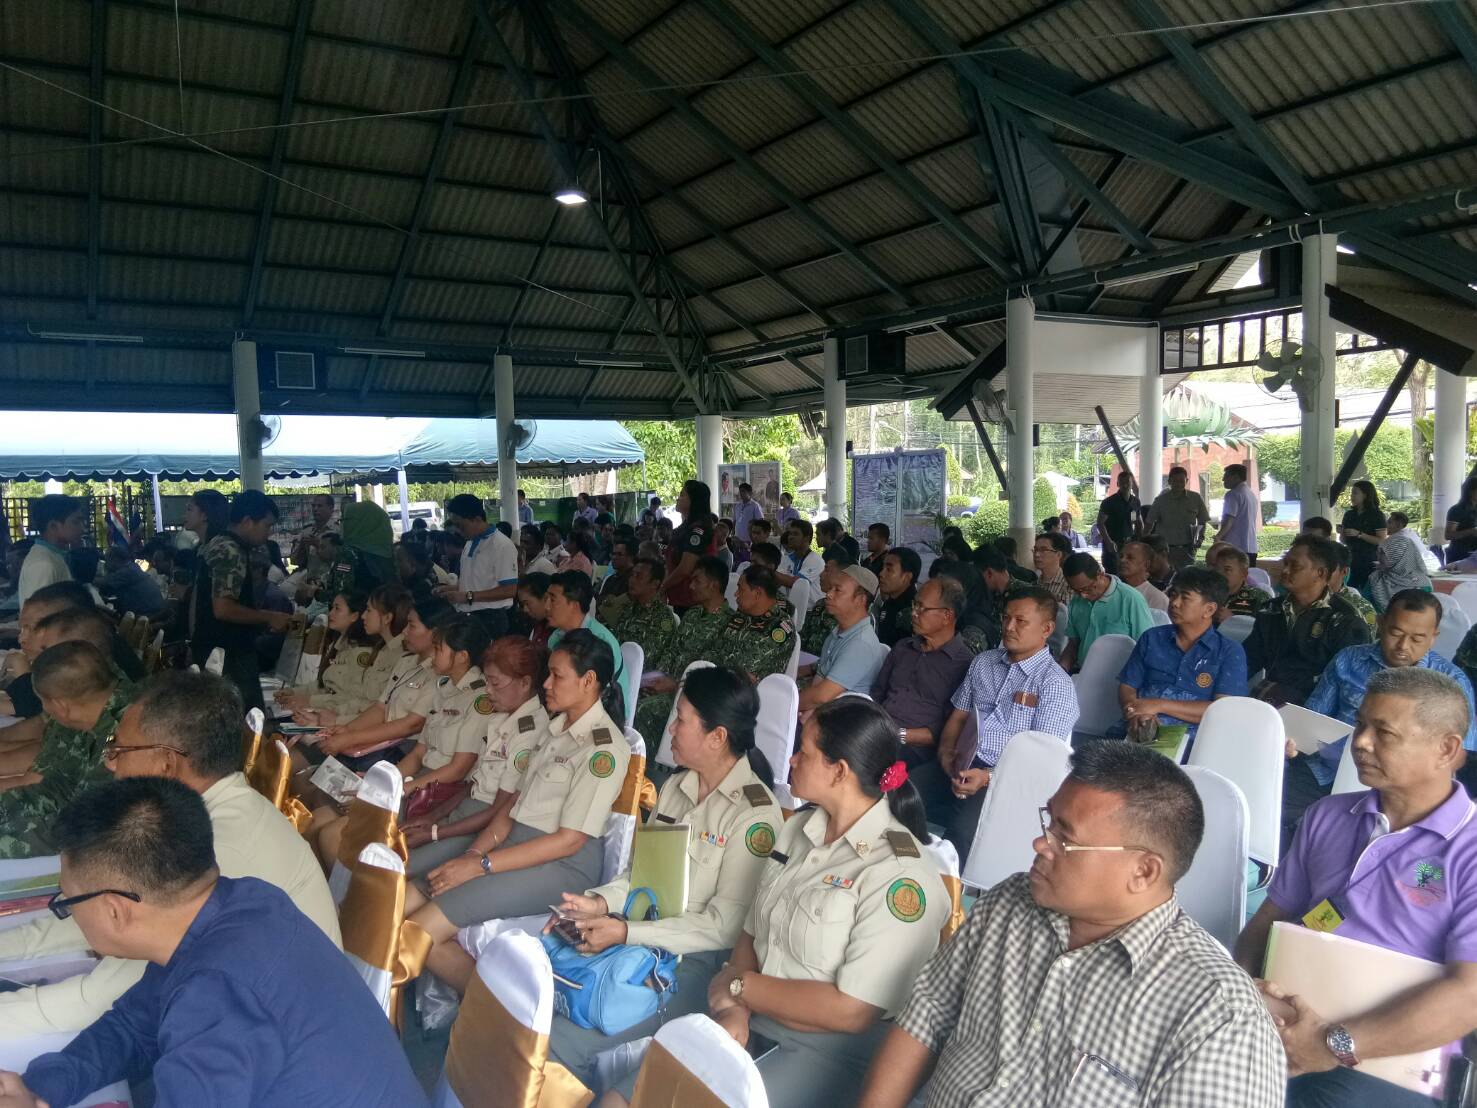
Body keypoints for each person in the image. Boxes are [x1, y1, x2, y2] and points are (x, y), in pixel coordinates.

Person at [861, 741, 1285, 1108]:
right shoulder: (1010, 903)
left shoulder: (1219, 1015)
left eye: (1065, 838)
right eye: (1049, 822)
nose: (1041, 843)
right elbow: (928, 1014)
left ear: (1143, 872)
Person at [7, 777, 426, 1108]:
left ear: (115, 910)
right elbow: (134, 1026)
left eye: (67, 902)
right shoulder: (241, 903)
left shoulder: (216, 992)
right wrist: (39, 1090)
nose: (68, 913)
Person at [0, 671, 340, 1038]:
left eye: (120, 750)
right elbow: (96, 916)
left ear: (167, 763)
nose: (110, 763)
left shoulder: (217, 851)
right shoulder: (203, 820)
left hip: (274, 1045)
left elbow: (103, 1002)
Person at [684, 698, 947, 1108]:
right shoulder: (800, 829)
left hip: (828, 1048)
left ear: (839, 771)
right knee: (644, 1084)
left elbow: (852, 1011)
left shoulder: (900, 876)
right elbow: (753, 929)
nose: (791, 760)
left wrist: (741, 987)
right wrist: (735, 1007)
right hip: (751, 1015)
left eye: (803, 752)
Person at [1235, 667, 1477, 1108]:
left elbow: (1467, 996)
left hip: (1392, 1054)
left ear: (1446, 749)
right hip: (1286, 1020)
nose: (1360, 742)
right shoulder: (1328, 815)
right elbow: (1268, 919)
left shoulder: (1469, 849)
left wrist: (1331, 1044)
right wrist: (1245, 992)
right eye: (1360, 724)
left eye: (1384, 732)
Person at [547, 667, 781, 1090]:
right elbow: (640, 876)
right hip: (638, 939)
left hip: (693, 965)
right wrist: (598, 903)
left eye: (681, 720)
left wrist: (625, 932)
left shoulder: (754, 815)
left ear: (717, 736)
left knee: (561, 1043)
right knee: (543, 995)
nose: (670, 728)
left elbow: (723, 928)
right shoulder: (675, 787)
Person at [404, 631, 630, 994]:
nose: (546, 684)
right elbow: (511, 806)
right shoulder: (553, 730)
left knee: (416, 932)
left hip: (561, 866)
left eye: (556, 675)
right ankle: (491, 1002)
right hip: (513, 846)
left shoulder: (604, 749)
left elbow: (569, 841)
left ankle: (500, 1013)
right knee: (409, 897)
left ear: (588, 681)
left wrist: (480, 865)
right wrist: (473, 854)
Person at [1288, 590, 1475, 845]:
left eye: (1417, 639)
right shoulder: (1349, 660)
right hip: (1325, 771)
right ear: (1381, 623)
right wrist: (1295, 741)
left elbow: (1461, 756)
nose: (1403, 646)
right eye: (1396, 633)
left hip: (1401, 788)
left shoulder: (1451, 683)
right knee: (1272, 809)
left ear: (1433, 637)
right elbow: (1313, 717)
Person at [914, 587, 1079, 864]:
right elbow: (958, 716)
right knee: (898, 794)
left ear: (1047, 629)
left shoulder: (1055, 685)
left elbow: (1042, 760)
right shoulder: (984, 663)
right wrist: (946, 753)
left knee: (963, 834)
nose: (1009, 627)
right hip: (960, 763)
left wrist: (988, 777)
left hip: (1005, 779)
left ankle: (945, 887)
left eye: (1020, 621)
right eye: (1005, 618)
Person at [402, 635, 550, 860]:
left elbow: (498, 810)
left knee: (406, 866)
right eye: (487, 681)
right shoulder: (500, 718)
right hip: (461, 809)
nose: (488, 690)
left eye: (495, 683)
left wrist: (434, 833)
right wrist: (432, 817)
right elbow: (473, 783)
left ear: (525, 683)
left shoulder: (530, 732)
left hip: (481, 825)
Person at [0, 641, 133, 859]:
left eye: (43, 703)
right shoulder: (97, 711)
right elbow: (59, 786)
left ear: (60, 706)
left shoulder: (126, 735)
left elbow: (82, 827)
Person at [1116, 567, 1247, 754]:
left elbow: (1223, 710)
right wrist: (1134, 711)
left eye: (1185, 597)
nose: (1174, 603)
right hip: (1139, 730)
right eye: (1173, 595)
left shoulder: (1228, 652)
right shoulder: (1151, 638)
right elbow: (1127, 685)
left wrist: (1158, 705)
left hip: (1194, 742)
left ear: (1209, 609)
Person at [190, 490, 292, 713]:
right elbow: (223, 608)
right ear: (247, 521)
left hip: (214, 647)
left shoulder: (218, 543)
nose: (268, 533)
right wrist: (269, 617)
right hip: (228, 654)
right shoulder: (230, 550)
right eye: (266, 525)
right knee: (246, 719)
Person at [1244, 535, 1372, 707]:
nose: (1285, 570)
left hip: (1317, 705)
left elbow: (1347, 682)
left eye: (1295, 566)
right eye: (1285, 564)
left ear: (1321, 573)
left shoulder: (1345, 619)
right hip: (1270, 695)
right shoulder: (1271, 609)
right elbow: (1249, 658)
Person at [870, 577, 974, 768]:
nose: (914, 613)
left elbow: (951, 727)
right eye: (914, 605)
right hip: (877, 731)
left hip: (916, 750)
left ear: (947, 616)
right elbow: (877, 693)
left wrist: (899, 734)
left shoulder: (964, 664)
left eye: (921, 608)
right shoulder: (903, 647)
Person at [275, 589, 380, 719]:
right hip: (322, 709)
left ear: (354, 616)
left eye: (337, 609)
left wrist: (309, 701)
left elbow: (350, 697)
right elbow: (324, 685)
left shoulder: (362, 653)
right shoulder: (339, 646)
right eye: (332, 608)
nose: (330, 613)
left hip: (336, 716)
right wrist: (293, 692)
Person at [798, 564, 887, 713]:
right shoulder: (841, 631)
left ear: (860, 599)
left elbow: (821, 697)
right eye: (831, 588)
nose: (829, 594)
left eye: (837, 590)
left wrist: (786, 706)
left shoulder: (861, 644)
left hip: (839, 717)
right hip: (822, 709)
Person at [546, 570, 632, 717]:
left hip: (602, 717)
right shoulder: (556, 637)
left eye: (552, 600)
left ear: (574, 605)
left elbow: (595, 698)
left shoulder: (600, 641)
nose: (547, 606)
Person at [438, 493, 520, 638]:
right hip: (468, 614)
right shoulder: (469, 543)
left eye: (461, 526)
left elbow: (509, 590)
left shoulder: (501, 545)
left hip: (491, 617)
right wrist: (451, 590)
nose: (458, 531)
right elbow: (477, 583)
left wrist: (468, 596)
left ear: (476, 519)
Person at [1058, 552, 1153, 674]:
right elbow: (1073, 644)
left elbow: (1147, 647)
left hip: (1120, 676)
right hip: (1084, 672)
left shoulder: (1130, 599)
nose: (1083, 595)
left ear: (1100, 574)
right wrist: (1061, 670)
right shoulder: (1077, 601)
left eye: (1087, 588)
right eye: (1076, 590)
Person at [608, 556, 677, 663]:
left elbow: (649, 659)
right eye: (632, 575)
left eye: (638, 576)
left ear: (654, 584)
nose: (631, 580)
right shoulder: (627, 607)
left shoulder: (662, 616)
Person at [18, 494, 83, 605]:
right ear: (53, 526)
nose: (82, 528)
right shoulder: (43, 564)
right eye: (76, 522)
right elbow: (37, 612)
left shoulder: (53, 557)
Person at [1148, 464, 1211, 568]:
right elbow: (1149, 522)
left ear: (1187, 481)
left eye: (1182, 481)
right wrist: (1145, 542)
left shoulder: (1195, 498)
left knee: (1185, 576)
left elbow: (1202, 521)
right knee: (1164, 575)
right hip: (1164, 550)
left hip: (1187, 549)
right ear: (1169, 481)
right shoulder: (1160, 500)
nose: (1178, 484)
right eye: (1175, 481)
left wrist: (1200, 538)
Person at [1369, 510, 1431, 610]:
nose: (1378, 557)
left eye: (1383, 553)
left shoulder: (1376, 582)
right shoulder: (1423, 583)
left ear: (1395, 557)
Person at [799, 546, 852, 656]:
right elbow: (802, 638)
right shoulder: (820, 604)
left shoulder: (847, 613)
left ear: (842, 575)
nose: (821, 574)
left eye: (826, 570)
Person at [1338, 479, 1387, 591]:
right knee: (1348, 589)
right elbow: (1343, 540)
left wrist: (1359, 534)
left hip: (1369, 559)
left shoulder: (1377, 515)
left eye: (1355, 493)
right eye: (1351, 493)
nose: (1352, 496)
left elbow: (1381, 540)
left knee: (1367, 590)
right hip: (1351, 558)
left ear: (1365, 495)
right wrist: (1342, 532)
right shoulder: (1349, 514)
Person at [871, 545, 919, 647]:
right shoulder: (890, 602)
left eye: (889, 569)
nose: (881, 574)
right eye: (883, 568)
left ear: (906, 577)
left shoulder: (912, 611)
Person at [98, 544, 164, 618]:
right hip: (152, 611)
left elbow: (104, 583)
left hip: (148, 615)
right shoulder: (132, 567)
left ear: (115, 559)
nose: (106, 563)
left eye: (107, 560)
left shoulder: (127, 571)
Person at [1095, 470, 1142, 573]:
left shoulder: (1135, 502)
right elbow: (1100, 523)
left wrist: (1139, 540)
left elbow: (1136, 521)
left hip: (1128, 543)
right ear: (1117, 484)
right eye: (1122, 482)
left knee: (1128, 572)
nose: (1125, 485)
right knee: (1113, 572)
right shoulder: (1109, 502)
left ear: (1132, 483)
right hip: (1113, 543)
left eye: (1127, 482)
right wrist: (1108, 542)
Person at [1213, 544, 1272, 621]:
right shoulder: (1207, 595)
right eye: (1217, 569)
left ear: (1244, 574)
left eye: (1227, 570)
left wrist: (1233, 620)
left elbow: (1268, 626)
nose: (1220, 574)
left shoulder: (1259, 598)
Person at [1329, 543, 1378, 634]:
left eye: (1328, 569)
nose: (1317, 574)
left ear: (1344, 571)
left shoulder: (1360, 609)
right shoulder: (1304, 597)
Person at [1218, 463, 1260, 564]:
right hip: (1251, 547)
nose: (1223, 479)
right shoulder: (1251, 495)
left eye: (1226, 476)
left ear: (1236, 477)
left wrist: (1218, 537)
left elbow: (1229, 520)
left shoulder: (1233, 494)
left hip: (1235, 548)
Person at [288, 492, 338, 577]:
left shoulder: (338, 531)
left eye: (319, 506)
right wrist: (302, 546)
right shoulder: (307, 532)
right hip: (310, 580)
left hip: (330, 580)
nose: (315, 509)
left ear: (330, 508)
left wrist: (318, 545)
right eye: (313, 506)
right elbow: (294, 561)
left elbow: (337, 559)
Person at [775, 519, 824, 604]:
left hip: (812, 610)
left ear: (806, 538)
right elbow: (777, 581)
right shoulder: (785, 559)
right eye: (790, 533)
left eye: (795, 534)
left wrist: (768, 570)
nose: (790, 537)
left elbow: (796, 584)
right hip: (792, 608)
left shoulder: (815, 560)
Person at [1118, 539, 1170, 612]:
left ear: (1146, 564)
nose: (1122, 560)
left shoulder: (1158, 599)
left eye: (1130, 557)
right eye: (1121, 556)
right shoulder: (1112, 591)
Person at [596, 537, 637, 624]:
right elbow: (599, 603)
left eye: (619, 554)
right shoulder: (610, 579)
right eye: (613, 554)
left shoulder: (635, 580)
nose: (614, 557)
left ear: (630, 557)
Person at [1031, 530, 1073, 606]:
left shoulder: (1069, 585)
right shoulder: (1035, 584)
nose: (1036, 554)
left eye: (1044, 550)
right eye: (1035, 550)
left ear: (1059, 554)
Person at [517, 572, 554, 651]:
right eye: (522, 605)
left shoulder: (562, 632)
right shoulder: (537, 627)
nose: (525, 609)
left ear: (545, 598)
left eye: (527, 603)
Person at [1445, 476, 1477, 564]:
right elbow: (1448, 535)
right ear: (1470, 491)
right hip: (1460, 555)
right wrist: (1471, 531)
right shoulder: (1457, 510)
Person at [731, 482, 764, 557]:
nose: (740, 493)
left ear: (750, 493)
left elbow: (760, 522)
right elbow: (735, 521)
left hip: (749, 540)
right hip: (737, 540)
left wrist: (756, 538)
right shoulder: (737, 505)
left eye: (743, 491)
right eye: (740, 491)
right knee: (737, 561)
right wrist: (732, 534)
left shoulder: (755, 506)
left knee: (748, 560)